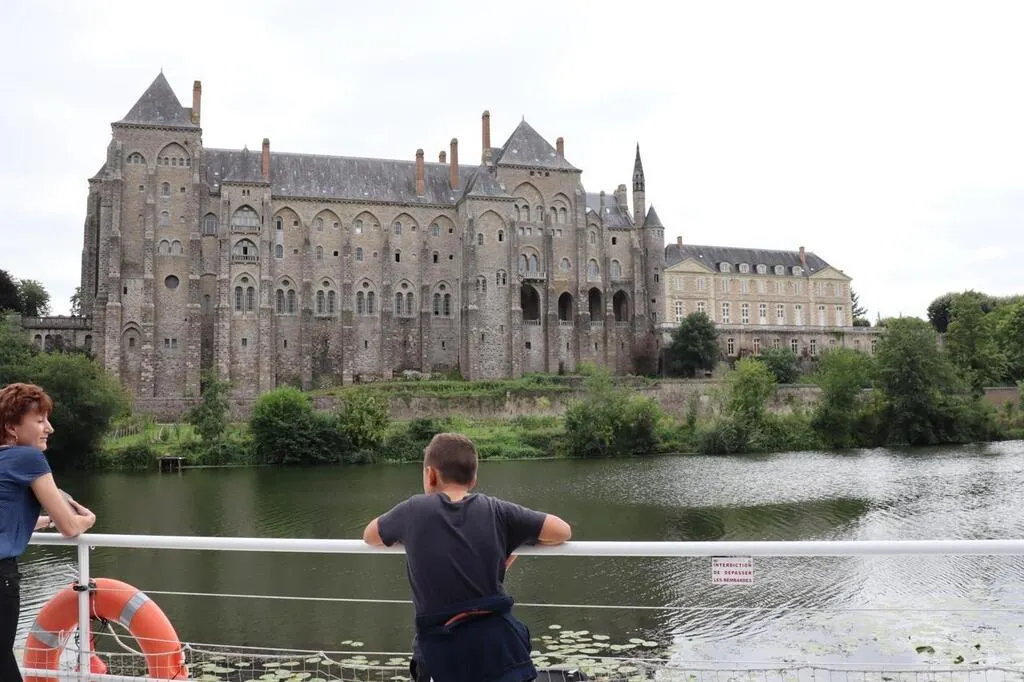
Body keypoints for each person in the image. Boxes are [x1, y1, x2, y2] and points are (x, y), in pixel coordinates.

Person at [363, 432, 572, 682]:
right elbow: (562, 531)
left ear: (430, 475)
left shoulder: (413, 510)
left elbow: (370, 536)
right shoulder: (497, 510)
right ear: (473, 480)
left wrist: (413, 537)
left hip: (440, 655)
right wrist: (505, 548)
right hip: (498, 652)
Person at [1, 383, 96, 681]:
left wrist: (43, 521)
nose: (49, 428)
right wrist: (87, 519)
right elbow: (70, 526)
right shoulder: (28, 459)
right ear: (11, 428)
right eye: (40, 420)